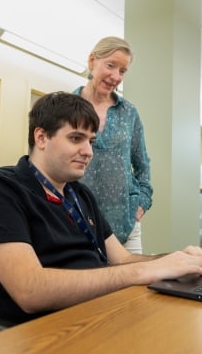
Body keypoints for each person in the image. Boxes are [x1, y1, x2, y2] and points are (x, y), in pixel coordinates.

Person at [0, 91, 202, 326]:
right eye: (76, 138)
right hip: (41, 334)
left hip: (99, 313)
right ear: (41, 137)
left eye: (91, 141)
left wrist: (176, 259)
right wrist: (142, 271)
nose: (88, 151)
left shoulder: (80, 195)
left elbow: (123, 259)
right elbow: (30, 290)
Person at [73, 36, 152, 254]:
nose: (116, 76)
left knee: (134, 287)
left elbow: (142, 165)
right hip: (77, 223)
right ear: (92, 61)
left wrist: (141, 204)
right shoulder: (68, 107)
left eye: (122, 71)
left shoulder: (129, 112)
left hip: (126, 226)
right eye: (110, 65)